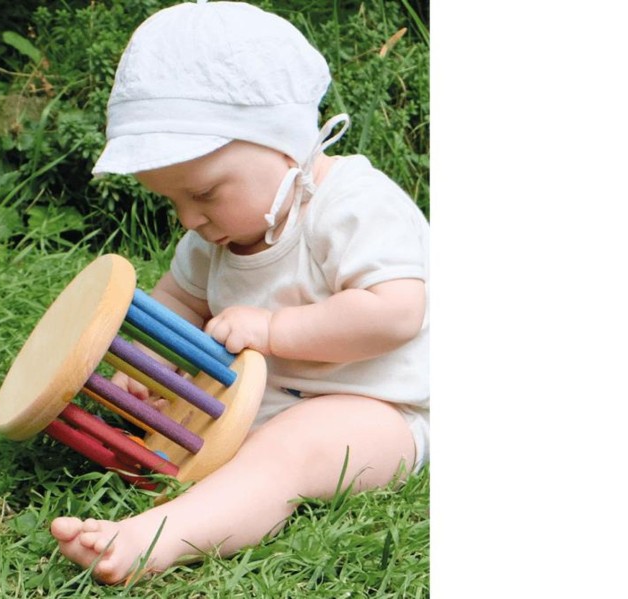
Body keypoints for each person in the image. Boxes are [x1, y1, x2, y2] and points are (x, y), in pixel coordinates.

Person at [50, 0, 429, 584]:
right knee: (169, 422)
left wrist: (274, 331)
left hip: (383, 409)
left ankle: (158, 539)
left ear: (283, 145)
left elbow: (396, 312)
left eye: (203, 193)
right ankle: (210, 486)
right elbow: (178, 299)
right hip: (260, 400)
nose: (189, 219)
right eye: (171, 201)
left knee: (289, 451)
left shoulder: (351, 206)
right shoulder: (219, 237)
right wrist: (148, 367)